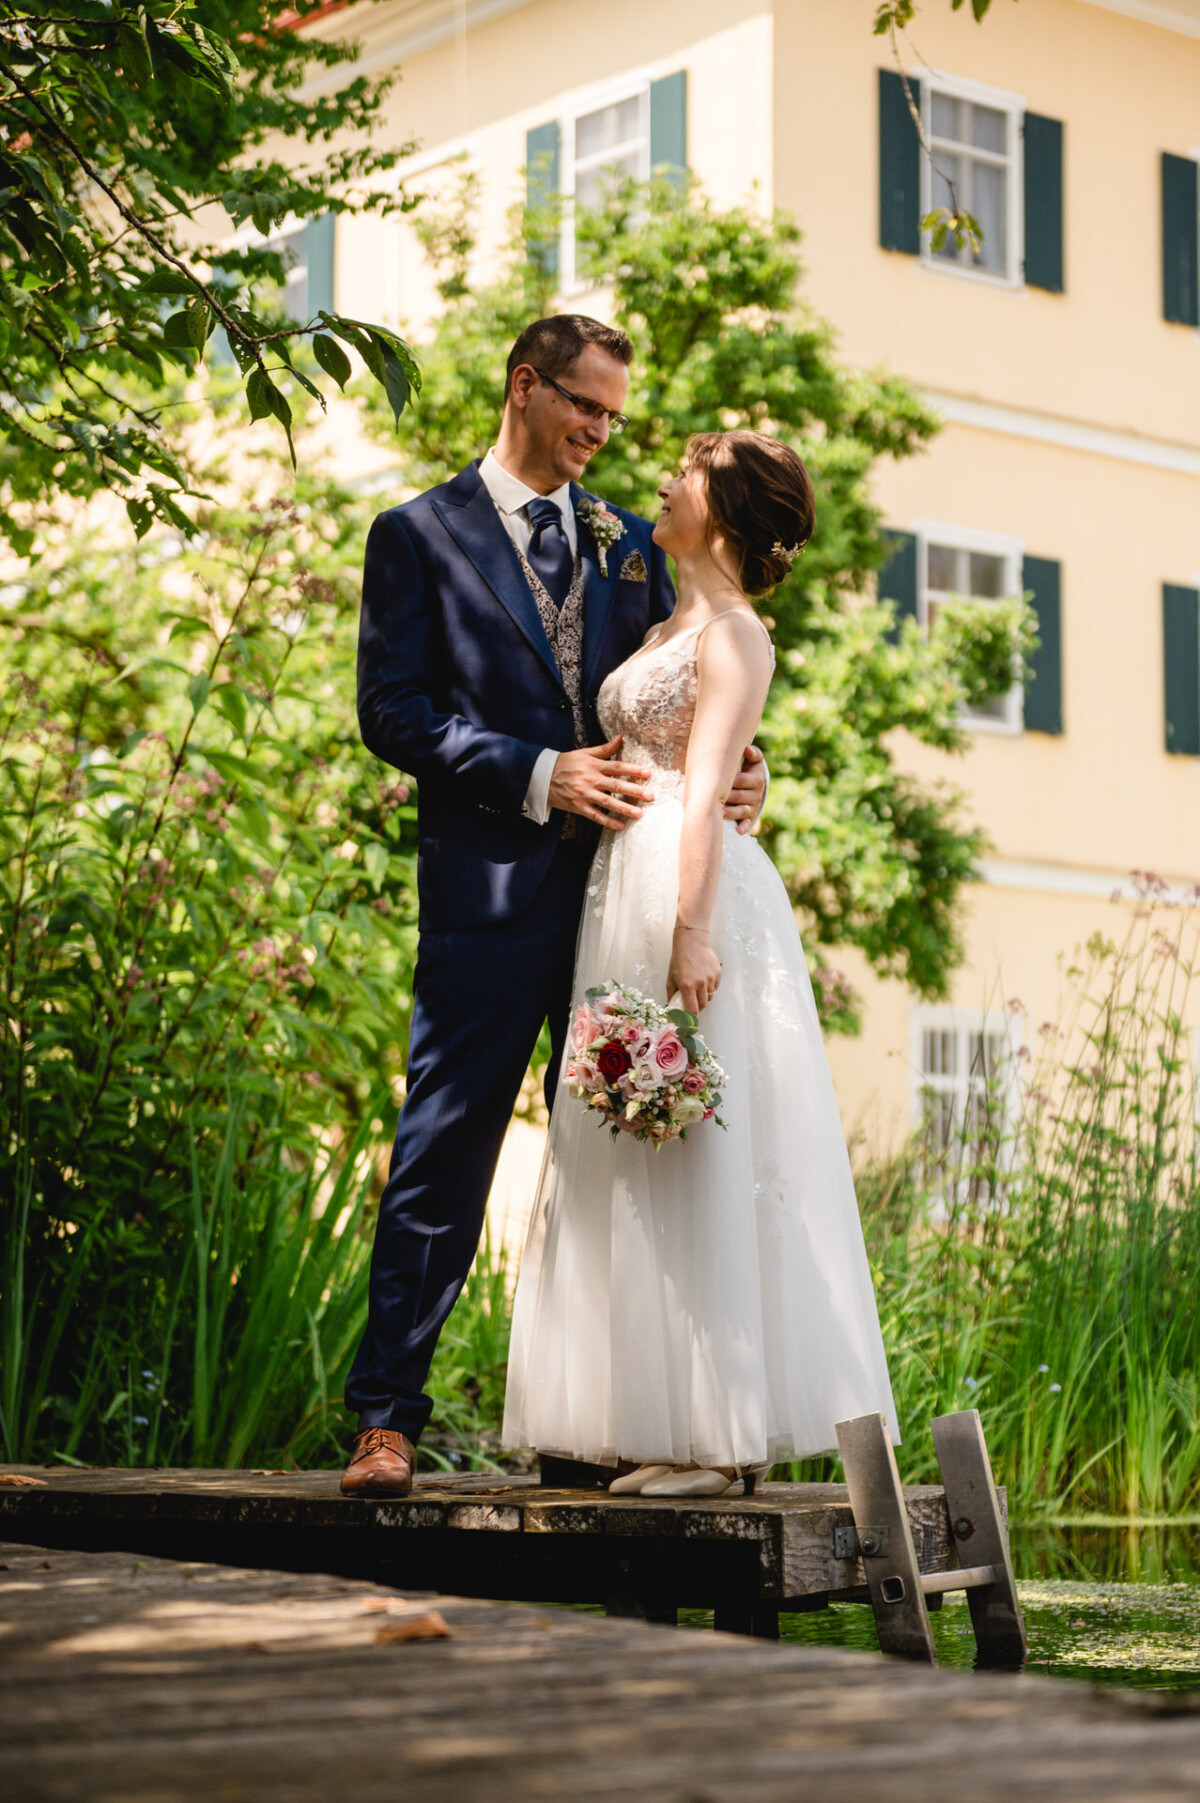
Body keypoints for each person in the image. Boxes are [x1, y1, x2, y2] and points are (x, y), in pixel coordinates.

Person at [340, 317, 768, 1496]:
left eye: (615, 416)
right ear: (524, 386)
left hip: (623, 903)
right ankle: (386, 1422)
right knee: (444, 1151)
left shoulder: (632, 542)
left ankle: (605, 1428)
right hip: (489, 900)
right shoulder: (417, 535)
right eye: (585, 405)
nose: (601, 432)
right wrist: (539, 773)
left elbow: (688, 684)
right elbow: (392, 712)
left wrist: (747, 767)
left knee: (621, 1156)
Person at [502, 430, 897, 1494]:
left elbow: (711, 786)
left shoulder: (736, 637)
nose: (663, 483)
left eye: (686, 473)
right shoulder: (662, 620)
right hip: (618, 890)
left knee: (699, 1148)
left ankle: (720, 1442)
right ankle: (658, 1425)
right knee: (635, 1145)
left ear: (722, 508)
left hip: (689, 890)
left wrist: (690, 931)